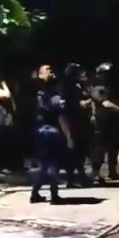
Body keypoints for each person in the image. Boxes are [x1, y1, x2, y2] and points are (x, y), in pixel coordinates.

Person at [30, 64, 73, 204]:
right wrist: (68, 136)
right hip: (50, 131)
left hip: (40, 131)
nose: (51, 72)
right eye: (47, 70)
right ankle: (54, 195)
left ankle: (35, 193)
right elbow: (61, 117)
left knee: (44, 165)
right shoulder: (52, 93)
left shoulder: (36, 91)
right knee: (53, 163)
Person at [90, 62, 119, 184]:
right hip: (101, 123)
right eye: (106, 74)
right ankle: (95, 173)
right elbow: (105, 103)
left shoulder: (112, 88)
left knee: (114, 147)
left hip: (113, 121)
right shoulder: (97, 89)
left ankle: (113, 171)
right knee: (99, 149)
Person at [60, 63, 92, 188]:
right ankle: (73, 178)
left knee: (80, 150)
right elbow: (70, 105)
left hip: (80, 122)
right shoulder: (67, 87)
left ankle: (79, 177)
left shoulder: (80, 85)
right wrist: (85, 102)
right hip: (71, 121)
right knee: (73, 150)